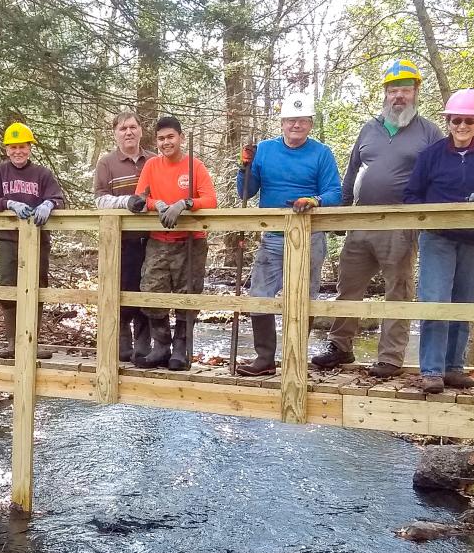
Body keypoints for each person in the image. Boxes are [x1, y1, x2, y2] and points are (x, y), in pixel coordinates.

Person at [312, 59, 444, 378]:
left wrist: (426, 220)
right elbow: (352, 170)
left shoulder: (429, 131)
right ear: (385, 93)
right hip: (361, 220)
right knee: (348, 286)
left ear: (416, 93)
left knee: (397, 289)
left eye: (406, 90)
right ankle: (340, 346)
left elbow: (441, 177)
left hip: (401, 224)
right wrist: (341, 214)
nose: (399, 96)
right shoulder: (369, 128)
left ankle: (390, 356)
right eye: (393, 90)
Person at [404, 88, 474, 394]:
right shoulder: (431, 155)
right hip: (438, 237)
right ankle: (432, 371)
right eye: (456, 121)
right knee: (435, 300)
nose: (462, 126)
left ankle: (454, 368)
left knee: (465, 302)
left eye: (469, 121)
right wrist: (435, 213)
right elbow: (412, 196)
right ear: (448, 121)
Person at [233, 93, 342, 377]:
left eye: (302, 120)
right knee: (260, 294)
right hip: (272, 236)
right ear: (282, 122)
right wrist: (244, 166)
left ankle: (295, 356)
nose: (296, 125)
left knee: (304, 296)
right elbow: (246, 191)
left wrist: (314, 200)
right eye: (291, 120)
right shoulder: (265, 151)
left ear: (310, 124)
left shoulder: (321, 153)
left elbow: (335, 193)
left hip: (310, 235)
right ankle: (264, 358)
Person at [130, 115, 217, 371]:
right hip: (159, 240)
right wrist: (154, 203)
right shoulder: (152, 166)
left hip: (190, 242)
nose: (166, 142)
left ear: (180, 137)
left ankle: (181, 348)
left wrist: (185, 204)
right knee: (151, 291)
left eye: (170, 137)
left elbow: (210, 200)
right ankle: (162, 345)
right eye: (161, 139)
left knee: (187, 294)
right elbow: (139, 198)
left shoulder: (195, 166)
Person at [0, 122, 66, 360]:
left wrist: (49, 204)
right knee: (8, 287)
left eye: (23, 146)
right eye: (13, 147)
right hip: (7, 240)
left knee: (37, 286)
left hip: (38, 240)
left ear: (30, 148)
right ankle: (12, 341)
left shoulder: (42, 174)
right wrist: (8, 203)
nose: (18, 151)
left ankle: (31, 341)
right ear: (7, 149)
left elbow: (59, 198)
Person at [93, 111, 155, 362]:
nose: (128, 132)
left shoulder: (153, 160)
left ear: (141, 130)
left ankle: (144, 343)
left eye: (132, 127)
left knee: (147, 288)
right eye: (122, 128)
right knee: (121, 288)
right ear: (115, 133)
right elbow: (100, 199)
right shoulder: (107, 163)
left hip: (152, 239)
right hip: (120, 239)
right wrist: (126, 202)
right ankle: (121, 341)